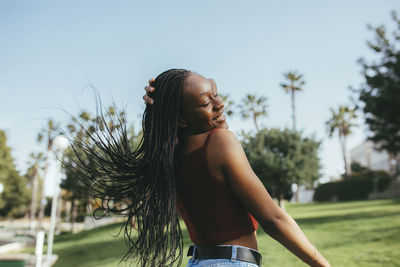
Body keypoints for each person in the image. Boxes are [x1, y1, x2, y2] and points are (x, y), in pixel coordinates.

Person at [71, 69, 330, 267]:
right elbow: (273, 220)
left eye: (215, 93)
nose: (220, 104)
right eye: (206, 102)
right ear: (181, 119)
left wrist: (164, 105)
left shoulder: (166, 157)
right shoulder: (219, 143)